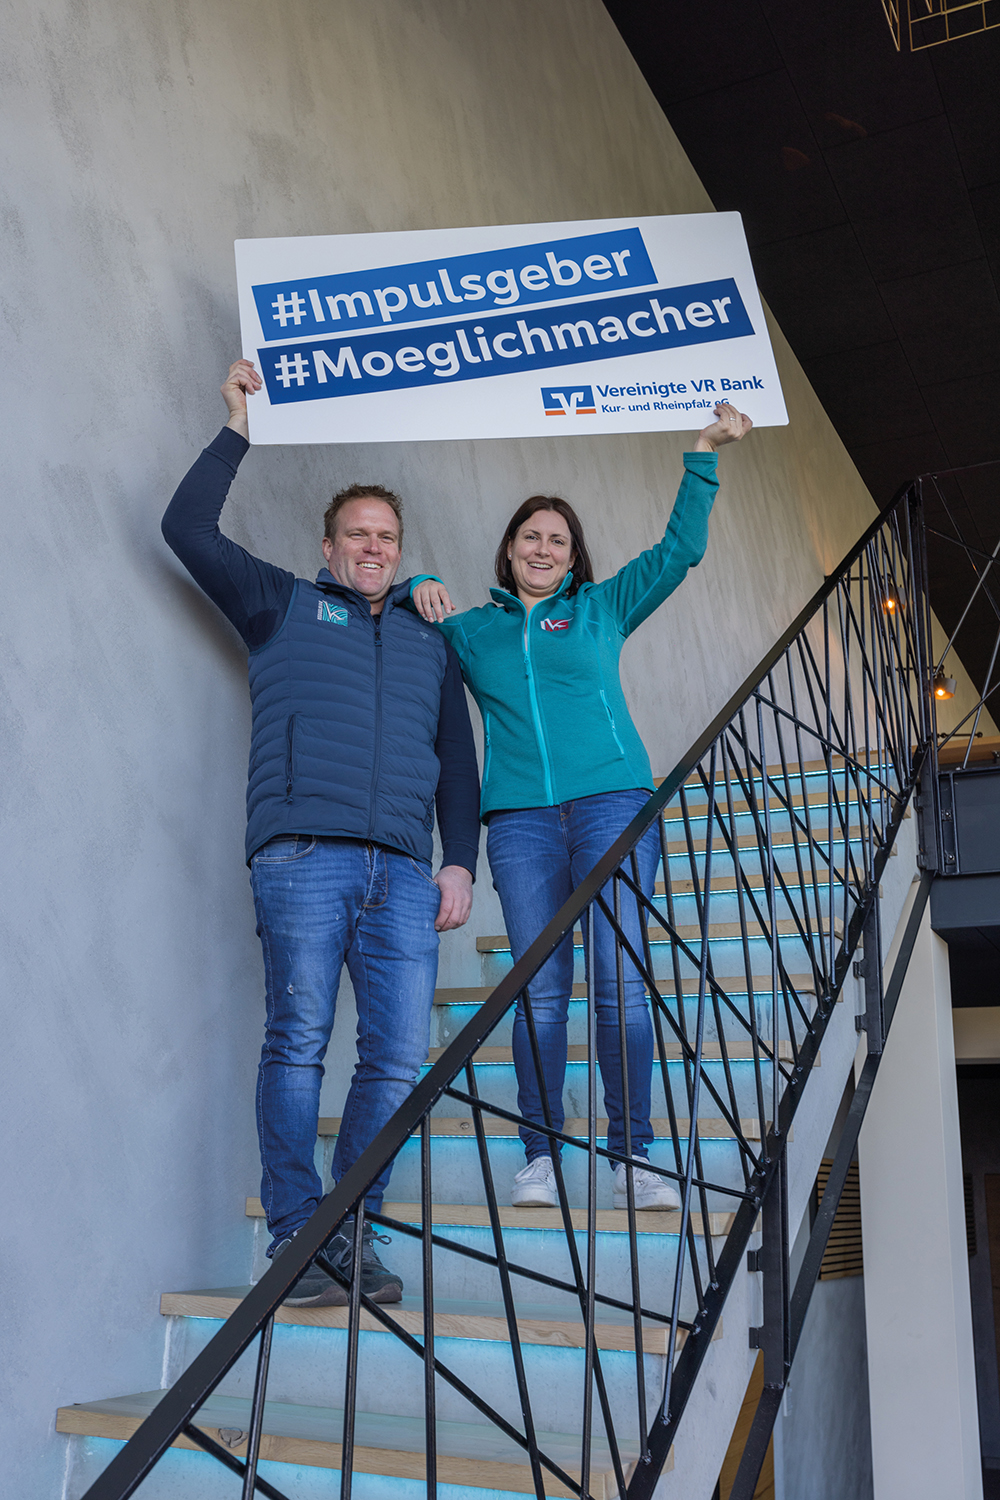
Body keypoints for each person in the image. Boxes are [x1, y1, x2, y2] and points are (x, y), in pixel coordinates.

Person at [162, 359, 480, 1304]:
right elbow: (185, 528)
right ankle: (299, 1228)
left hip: (404, 874)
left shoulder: (433, 639)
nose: (374, 548)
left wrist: (458, 863)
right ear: (330, 545)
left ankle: (349, 1227)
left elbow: (457, 762)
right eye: (358, 535)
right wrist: (236, 428)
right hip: (302, 856)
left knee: (395, 1056)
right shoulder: (279, 604)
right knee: (299, 1037)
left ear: (399, 549)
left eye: (387, 537)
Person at [412, 402, 751, 1211]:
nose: (542, 547)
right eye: (531, 535)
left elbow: (681, 551)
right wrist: (416, 583)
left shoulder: (600, 609)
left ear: (572, 556)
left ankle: (633, 1153)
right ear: (509, 547)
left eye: (557, 539)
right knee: (537, 987)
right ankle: (540, 1153)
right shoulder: (471, 632)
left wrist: (702, 452)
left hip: (613, 806)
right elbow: (390, 614)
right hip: (521, 823)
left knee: (621, 981)